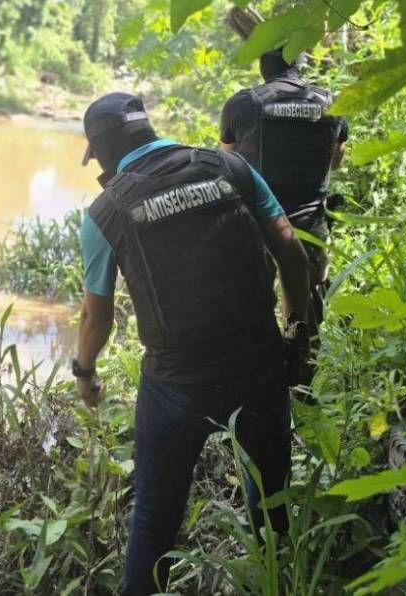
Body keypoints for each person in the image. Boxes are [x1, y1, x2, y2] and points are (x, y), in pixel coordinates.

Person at [72, 92, 311, 596]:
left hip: (176, 387)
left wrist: (84, 372)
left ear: (102, 152)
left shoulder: (104, 211)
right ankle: (276, 578)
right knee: (271, 498)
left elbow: (97, 318)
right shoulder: (230, 167)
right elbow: (291, 250)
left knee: (155, 522)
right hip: (260, 364)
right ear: (146, 129)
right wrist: (296, 331)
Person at [219, 49, 348, 342]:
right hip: (311, 226)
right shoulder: (330, 103)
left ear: (263, 68)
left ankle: (263, 369)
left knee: (254, 305)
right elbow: (336, 161)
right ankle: (299, 365)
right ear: (300, 66)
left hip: (258, 226)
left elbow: (227, 165)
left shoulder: (242, 104)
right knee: (306, 310)